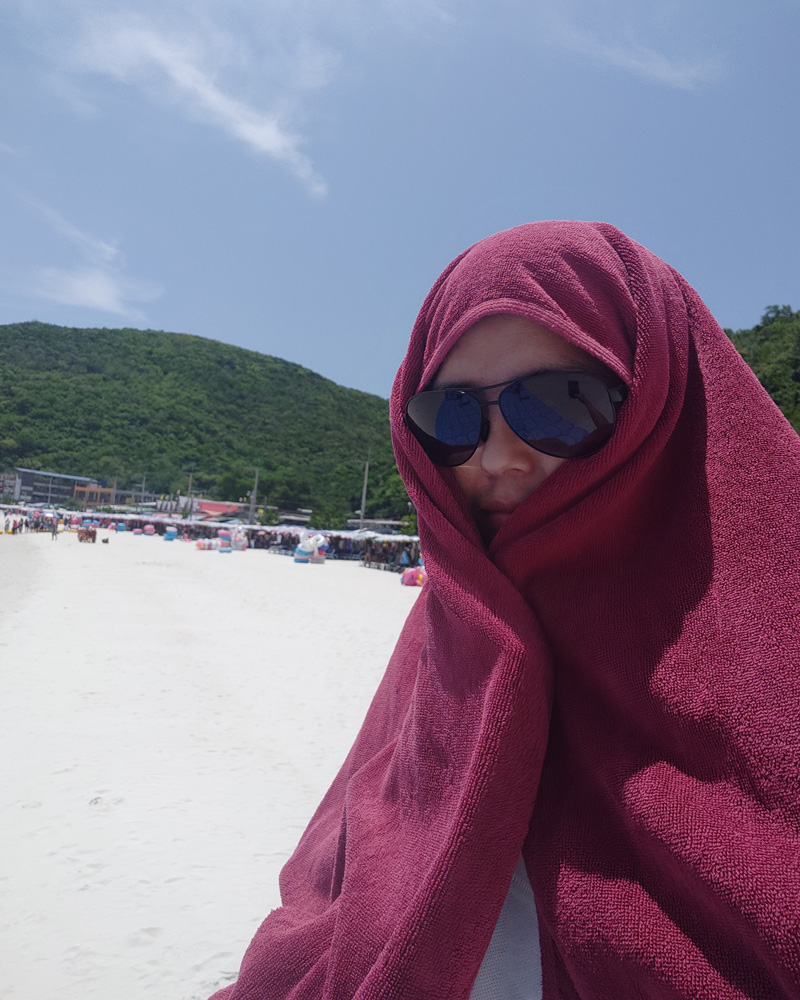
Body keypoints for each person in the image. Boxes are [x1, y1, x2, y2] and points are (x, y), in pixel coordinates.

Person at [211, 222, 800, 999]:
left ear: (658, 403)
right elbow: (331, 897)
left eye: (558, 405)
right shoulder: (450, 633)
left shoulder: (776, 651)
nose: (498, 458)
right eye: (451, 417)